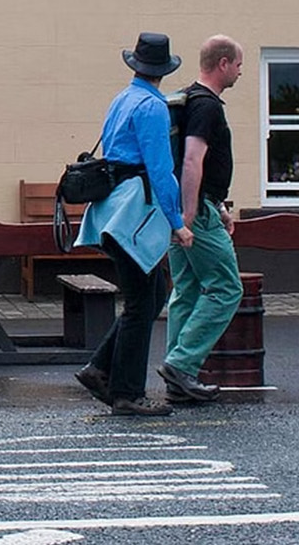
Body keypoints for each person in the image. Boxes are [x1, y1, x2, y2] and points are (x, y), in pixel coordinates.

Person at [73, 31, 194, 416]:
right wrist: (177, 222)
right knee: (144, 301)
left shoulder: (122, 99)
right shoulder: (155, 108)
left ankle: (99, 369)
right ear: (164, 70)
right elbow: (161, 170)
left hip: (109, 211)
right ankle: (127, 393)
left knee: (151, 293)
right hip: (132, 215)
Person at [157, 34, 245, 404]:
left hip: (186, 207)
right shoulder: (207, 106)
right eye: (239, 65)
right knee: (227, 288)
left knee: (188, 290)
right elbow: (193, 160)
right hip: (196, 212)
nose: (241, 72)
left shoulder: (188, 98)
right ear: (223, 63)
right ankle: (182, 364)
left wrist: (214, 206)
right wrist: (190, 217)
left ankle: (178, 377)